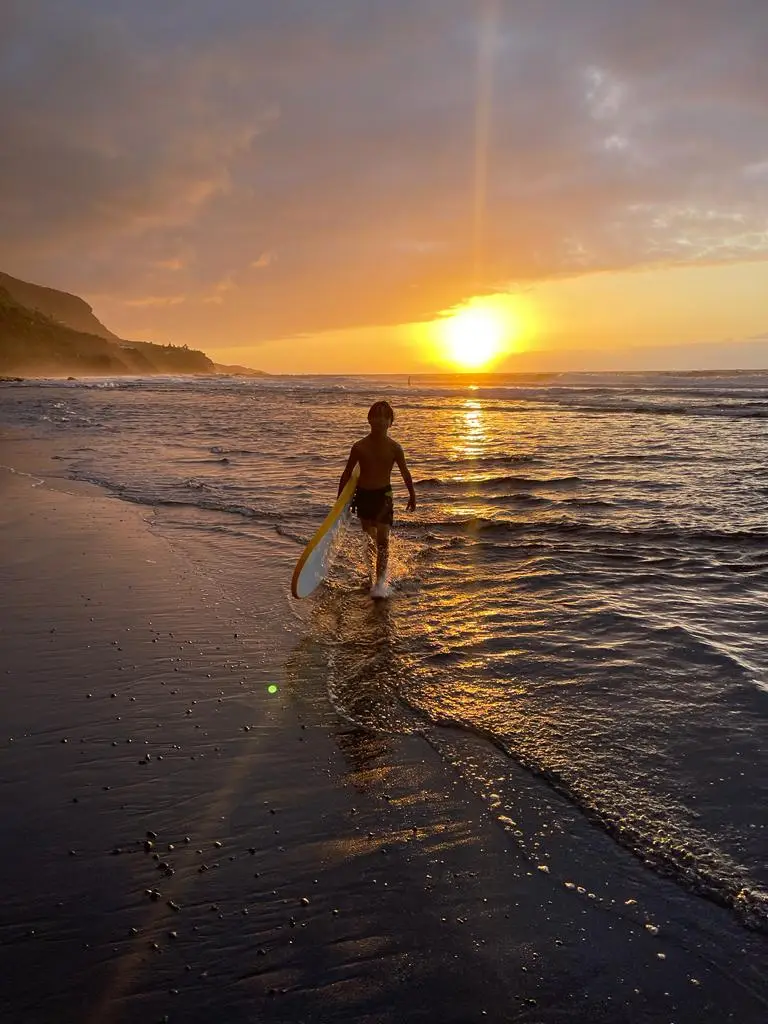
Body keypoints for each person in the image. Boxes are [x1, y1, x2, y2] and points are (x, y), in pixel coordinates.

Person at [337, 400, 416, 595]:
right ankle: (371, 574)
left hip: (384, 495)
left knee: (383, 540)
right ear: (369, 419)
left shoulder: (395, 448)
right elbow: (347, 473)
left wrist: (412, 495)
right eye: (376, 416)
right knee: (369, 537)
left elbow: (405, 473)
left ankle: (380, 584)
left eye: (385, 417)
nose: (380, 421)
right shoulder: (359, 447)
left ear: (391, 422)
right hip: (363, 495)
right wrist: (339, 501)